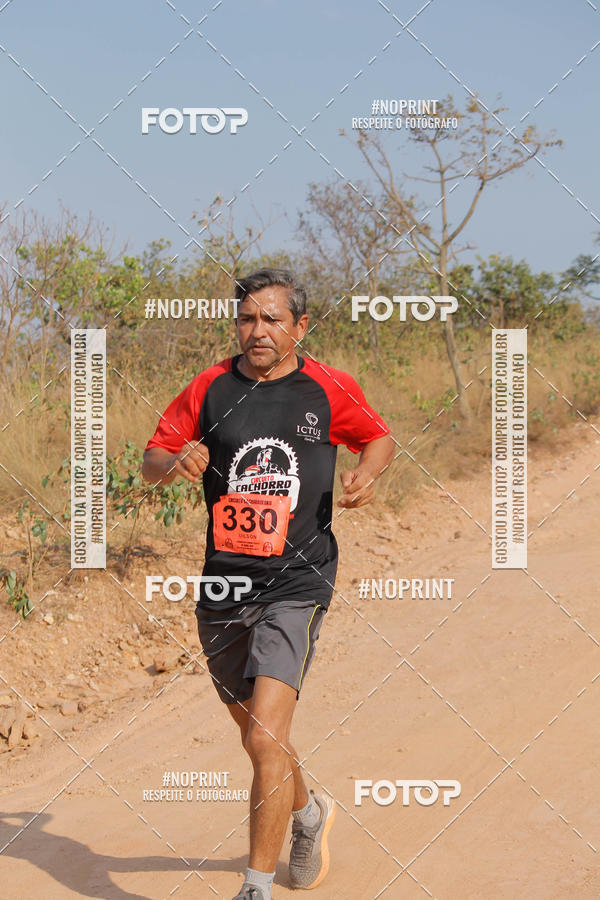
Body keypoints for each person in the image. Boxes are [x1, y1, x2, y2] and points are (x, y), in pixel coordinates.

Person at [142, 268, 395, 900]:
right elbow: (150, 462)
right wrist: (176, 461)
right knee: (262, 739)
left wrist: (368, 471)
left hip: (298, 582)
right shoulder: (208, 387)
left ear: (300, 327)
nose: (258, 331)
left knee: (264, 736)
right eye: (248, 320)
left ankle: (255, 886)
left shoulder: (328, 388)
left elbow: (379, 436)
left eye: (272, 319)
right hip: (223, 586)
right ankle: (309, 815)